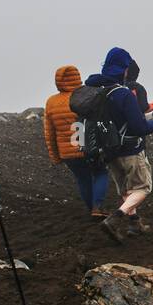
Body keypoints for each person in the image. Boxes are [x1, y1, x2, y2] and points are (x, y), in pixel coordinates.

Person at [84, 47, 153, 242]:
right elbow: (138, 126)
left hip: (109, 151)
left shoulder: (97, 92)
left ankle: (134, 224)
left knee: (127, 191)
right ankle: (114, 219)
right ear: (124, 69)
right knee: (142, 188)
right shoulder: (124, 94)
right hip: (130, 150)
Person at [43, 65, 109, 218]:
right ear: (77, 77)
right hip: (88, 146)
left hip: (67, 152)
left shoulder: (51, 102)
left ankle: (91, 209)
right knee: (100, 172)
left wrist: (55, 156)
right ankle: (97, 207)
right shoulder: (85, 96)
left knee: (83, 179)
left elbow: (50, 133)